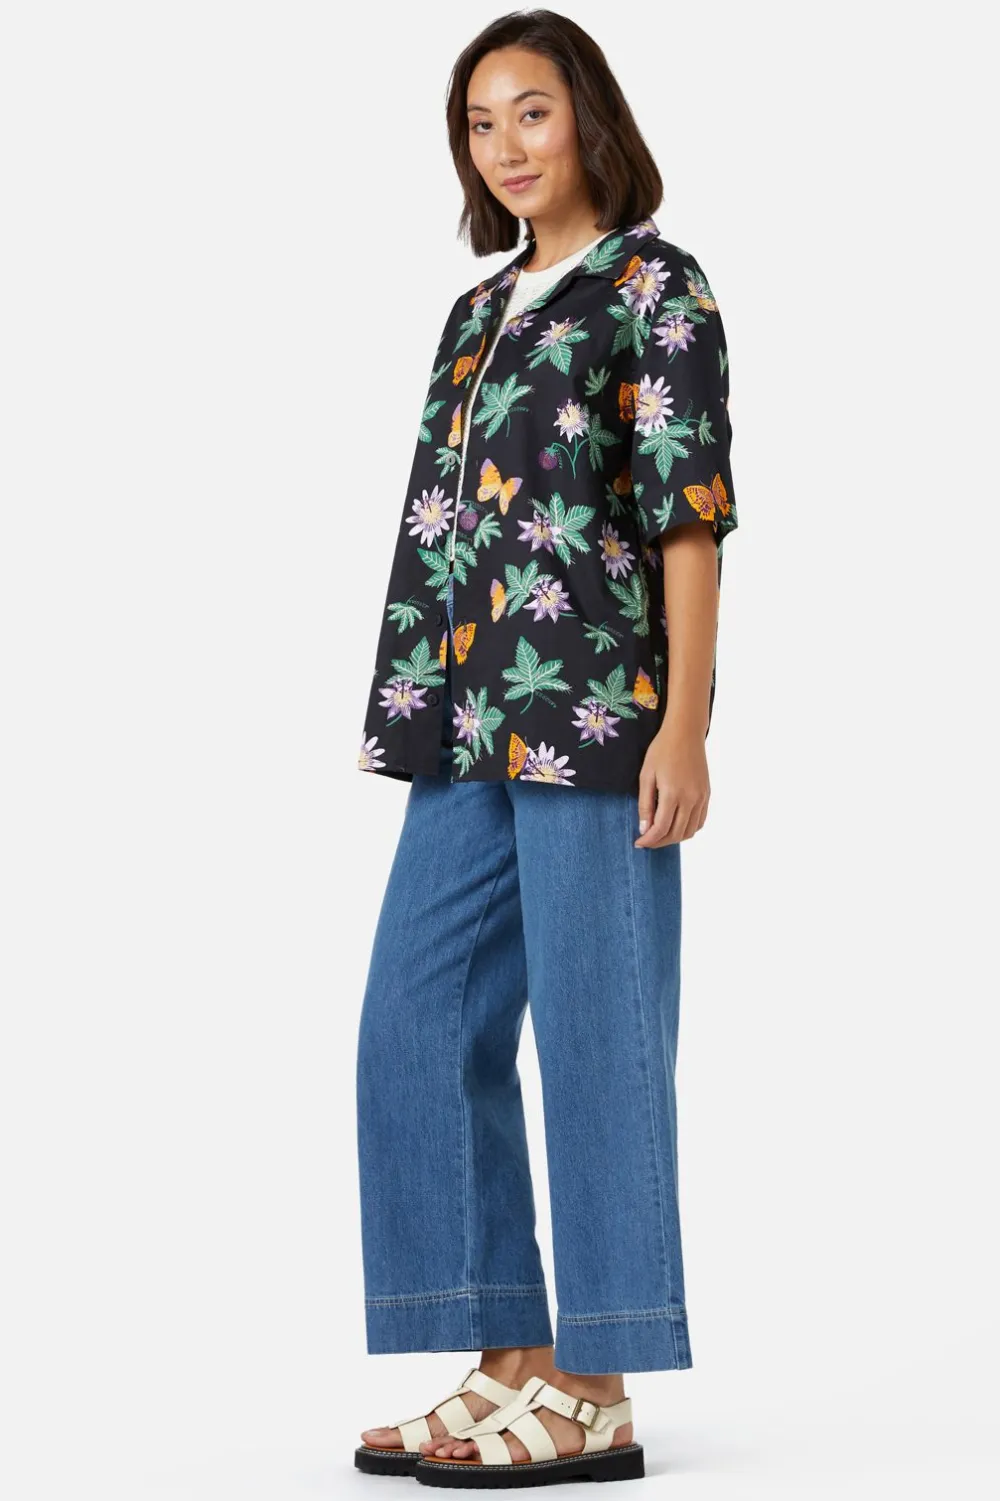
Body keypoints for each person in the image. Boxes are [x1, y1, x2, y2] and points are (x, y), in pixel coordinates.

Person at [353, 8, 738, 1488]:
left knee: (596, 1034)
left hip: (595, 718)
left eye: (530, 112)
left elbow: (686, 516)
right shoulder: (475, 315)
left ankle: (599, 1379)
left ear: (587, 117)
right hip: (464, 718)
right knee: (412, 1015)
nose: (506, 146)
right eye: (480, 123)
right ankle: (508, 1357)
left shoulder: (655, 287)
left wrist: (684, 724)